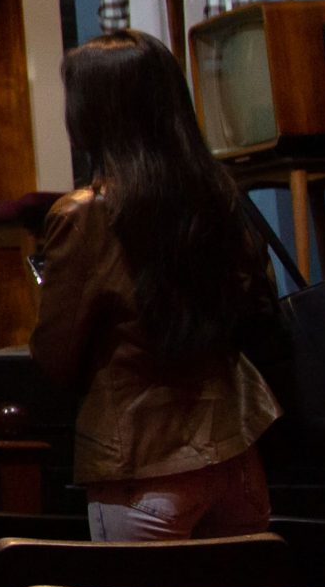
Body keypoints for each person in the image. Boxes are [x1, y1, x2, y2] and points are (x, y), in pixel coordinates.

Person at [31, 30, 282, 541]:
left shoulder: (86, 215)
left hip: (142, 462)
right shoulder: (218, 193)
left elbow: (57, 358)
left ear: (94, 112)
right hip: (236, 452)